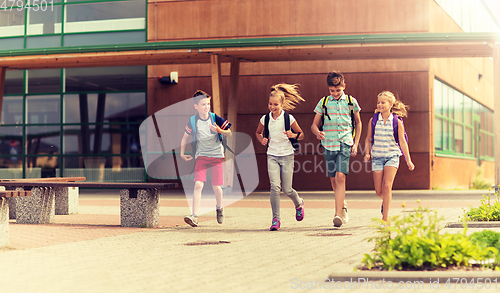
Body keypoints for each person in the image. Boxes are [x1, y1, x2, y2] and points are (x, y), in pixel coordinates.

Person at [311, 71, 362, 228]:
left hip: (345, 142)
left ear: (344, 87)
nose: (335, 93)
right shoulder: (324, 102)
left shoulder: (351, 101)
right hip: (328, 144)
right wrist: (317, 132)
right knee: (333, 179)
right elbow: (313, 125)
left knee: (341, 177)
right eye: (332, 91)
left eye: (338, 90)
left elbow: (358, 123)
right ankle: (343, 204)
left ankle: (337, 214)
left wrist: (355, 143)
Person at [255, 83, 305, 231]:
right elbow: (258, 133)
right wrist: (261, 139)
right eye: (270, 104)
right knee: (274, 187)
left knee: (287, 189)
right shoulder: (265, 119)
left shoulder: (289, 118)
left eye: (276, 104)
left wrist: (293, 135)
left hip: (287, 155)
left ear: (282, 104)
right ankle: (276, 219)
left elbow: (301, 135)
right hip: (272, 155)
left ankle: (298, 203)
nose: (272, 107)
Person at [180, 90, 232, 227]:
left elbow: (230, 133)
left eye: (208, 104)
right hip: (201, 156)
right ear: (196, 106)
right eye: (203, 104)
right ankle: (194, 216)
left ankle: (219, 207)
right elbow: (185, 137)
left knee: (217, 187)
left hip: (216, 156)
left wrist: (219, 131)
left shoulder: (215, 118)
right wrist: (181, 153)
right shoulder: (193, 120)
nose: (207, 107)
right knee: (198, 184)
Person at [363, 91, 415, 225]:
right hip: (377, 157)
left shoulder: (397, 121)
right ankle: (385, 201)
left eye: (383, 102)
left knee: (387, 187)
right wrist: (367, 153)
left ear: (391, 104)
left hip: (392, 156)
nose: (380, 104)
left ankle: (385, 219)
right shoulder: (373, 120)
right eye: (378, 102)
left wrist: (408, 160)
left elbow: (403, 142)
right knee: (378, 191)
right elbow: (368, 139)